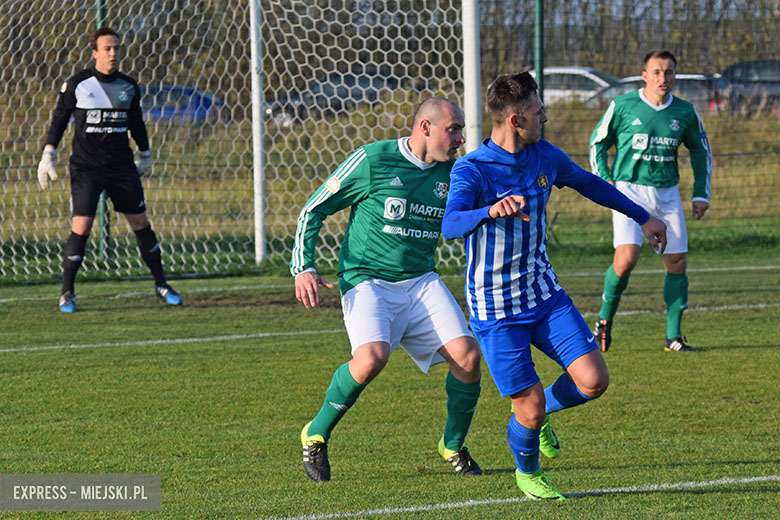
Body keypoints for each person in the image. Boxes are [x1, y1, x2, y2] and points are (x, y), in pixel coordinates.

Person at [441, 72, 667, 500]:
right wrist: (491, 210)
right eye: (537, 111)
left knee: (593, 380)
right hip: (496, 309)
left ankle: (540, 413)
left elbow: (588, 183)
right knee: (526, 407)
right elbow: (451, 225)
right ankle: (528, 473)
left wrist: (643, 217)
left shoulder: (545, 155)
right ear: (514, 120)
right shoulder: (473, 169)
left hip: (544, 294)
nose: (545, 116)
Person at [290, 97, 483, 482]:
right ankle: (315, 433)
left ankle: (452, 445)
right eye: (454, 128)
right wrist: (303, 267)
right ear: (426, 128)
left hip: (421, 280)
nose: (461, 138)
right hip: (368, 280)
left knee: (468, 359)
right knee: (370, 360)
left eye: (462, 129)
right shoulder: (374, 160)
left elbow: (471, 217)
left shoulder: (455, 173)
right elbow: (314, 208)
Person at [37, 27, 182, 312]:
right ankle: (67, 292)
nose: (113, 53)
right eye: (107, 48)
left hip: (121, 167)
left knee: (140, 222)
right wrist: (48, 153)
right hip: (86, 168)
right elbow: (59, 119)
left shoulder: (128, 86)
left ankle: (161, 284)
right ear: (95, 53)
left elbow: (137, 123)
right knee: (82, 225)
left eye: (116, 48)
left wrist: (146, 153)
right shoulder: (78, 84)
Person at [589, 50, 713, 353]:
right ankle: (604, 321)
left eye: (669, 72)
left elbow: (700, 151)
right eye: (656, 72)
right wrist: (605, 181)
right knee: (626, 259)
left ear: (675, 76)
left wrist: (700, 193)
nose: (663, 78)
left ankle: (673, 337)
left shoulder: (685, 112)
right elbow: (598, 142)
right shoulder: (622, 105)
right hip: (629, 192)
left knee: (676, 263)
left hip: (667, 194)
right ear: (644, 76)